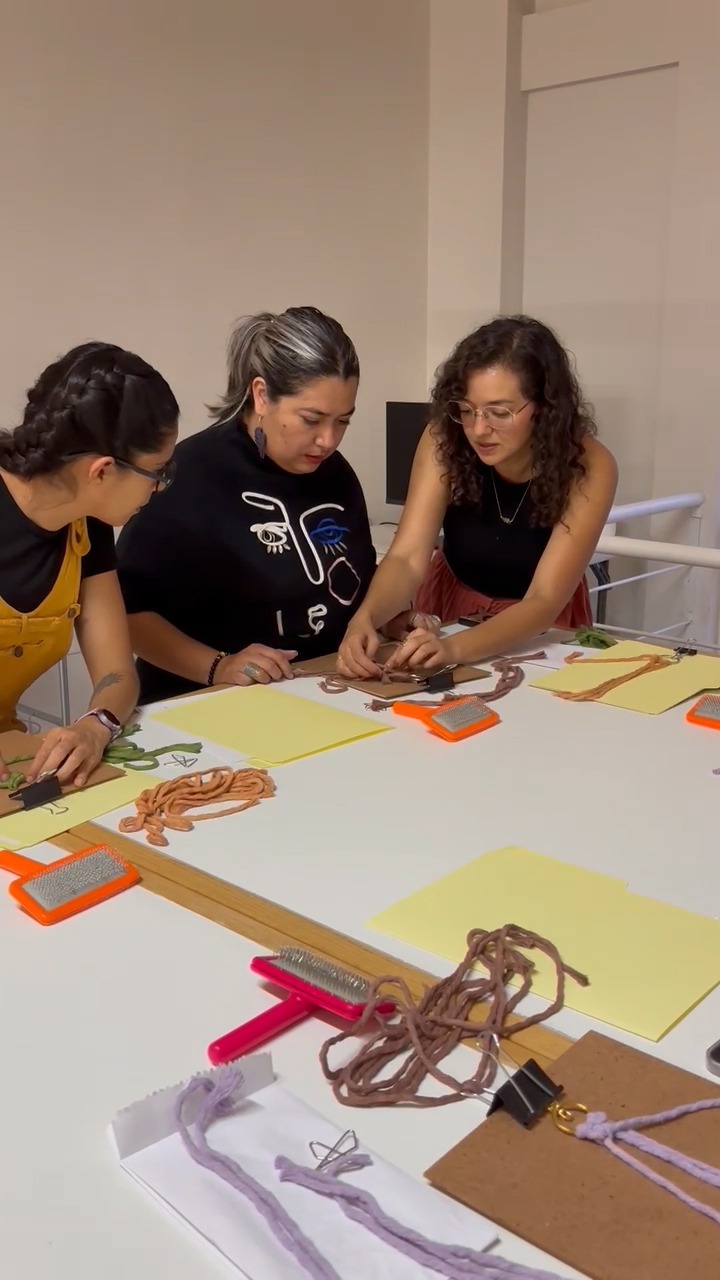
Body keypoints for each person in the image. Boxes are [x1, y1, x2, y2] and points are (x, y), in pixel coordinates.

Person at [116, 306, 385, 704]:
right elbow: (126, 612)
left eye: (343, 421)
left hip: (322, 695)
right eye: (311, 419)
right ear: (261, 395)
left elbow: (353, 582)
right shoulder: (188, 475)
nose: (328, 440)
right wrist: (218, 666)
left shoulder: (336, 474)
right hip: (205, 705)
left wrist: (388, 619)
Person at [338, 315, 617, 678]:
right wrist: (366, 618)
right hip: (455, 599)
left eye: (499, 413)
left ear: (544, 407)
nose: (479, 429)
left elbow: (544, 600)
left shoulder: (589, 465)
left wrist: (453, 648)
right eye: (467, 410)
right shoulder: (444, 437)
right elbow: (407, 557)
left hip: (536, 622)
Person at [0, 341, 179, 785]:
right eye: (157, 472)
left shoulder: (86, 525)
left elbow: (117, 672)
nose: (159, 488)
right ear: (101, 471)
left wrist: (96, 725)